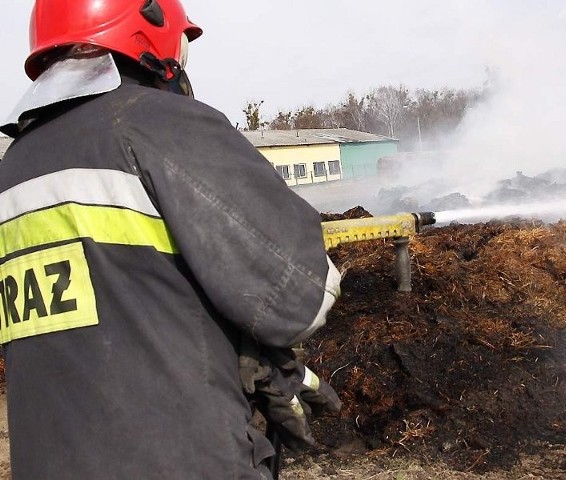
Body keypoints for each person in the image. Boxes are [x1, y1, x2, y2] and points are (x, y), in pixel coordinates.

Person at [0, 1, 341, 478]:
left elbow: (111, 307)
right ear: (149, 30)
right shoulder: (157, 125)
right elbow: (302, 295)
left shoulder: (10, 172)